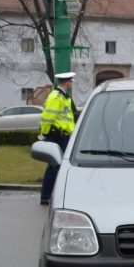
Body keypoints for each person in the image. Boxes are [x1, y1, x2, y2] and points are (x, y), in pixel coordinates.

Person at [39, 71, 77, 205]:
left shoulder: (63, 97)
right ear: (67, 82)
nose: (72, 83)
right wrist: (45, 134)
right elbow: (48, 117)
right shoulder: (56, 96)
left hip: (65, 136)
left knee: (58, 166)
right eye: (71, 81)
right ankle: (46, 196)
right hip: (58, 136)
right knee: (54, 166)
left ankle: (49, 195)